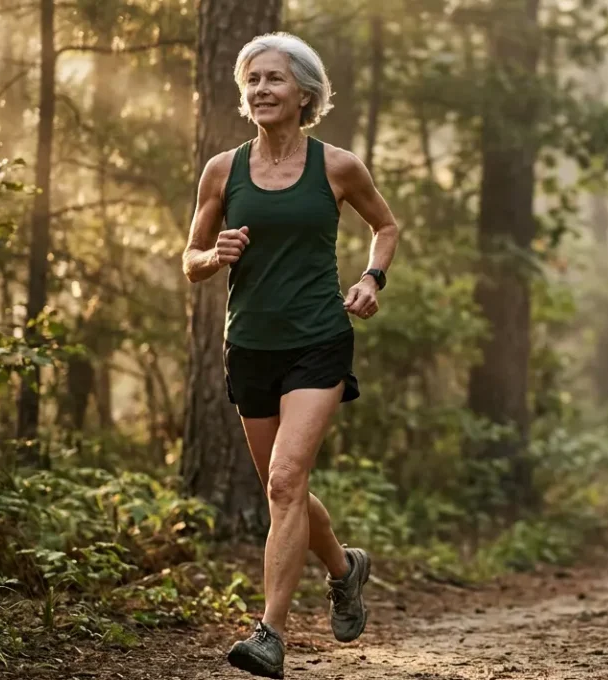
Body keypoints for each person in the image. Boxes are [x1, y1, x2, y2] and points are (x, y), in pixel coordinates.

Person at [181, 31, 400, 679]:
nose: (261, 90)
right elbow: (190, 261)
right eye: (252, 81)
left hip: (317, 339)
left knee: (283, 482)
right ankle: (344, 568)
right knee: (286, 491)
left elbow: (384, 226)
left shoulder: (337, 166)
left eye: (274, 79)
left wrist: (370, 278)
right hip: (249, 345)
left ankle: (269, 635)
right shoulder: (222, 169)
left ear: (304, 92)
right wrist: (211, 255)